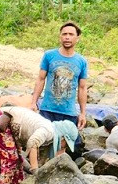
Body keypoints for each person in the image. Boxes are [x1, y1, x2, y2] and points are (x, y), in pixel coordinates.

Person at [0, 106, 78, 184]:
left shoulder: (54, 136)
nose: (64, 147)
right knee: (10, 158)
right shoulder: (48, 130)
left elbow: (59, 155)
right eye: (66, 144)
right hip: (2, 118)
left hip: (14, 127)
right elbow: (32, 143)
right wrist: (35, 170)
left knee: (18, 158)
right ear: (63, 137)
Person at [32, 21, 89, 151]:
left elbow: (82, 88)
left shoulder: (81, 61)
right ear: (60, 37)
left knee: (67, 146)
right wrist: (33, 102)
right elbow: (41, 79)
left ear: (77, 38)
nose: (67, 37)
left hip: (68, 112)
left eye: (71, 34)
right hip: (48, 109)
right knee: (43, 143)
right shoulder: (49, 55)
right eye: (64, 34)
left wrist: (83, 113)